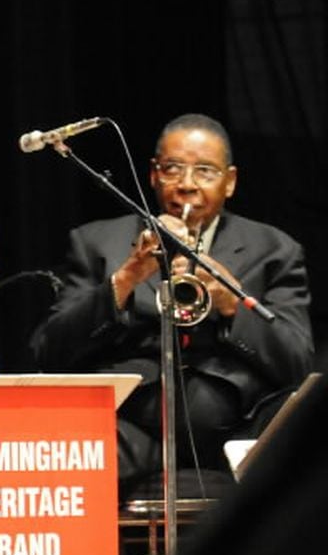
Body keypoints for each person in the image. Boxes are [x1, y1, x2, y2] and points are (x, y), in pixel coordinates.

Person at [30, 113, 314, 494]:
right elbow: (48, 351)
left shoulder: (275, 250)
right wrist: (126, 278)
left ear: (230, 182)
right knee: (59, 449)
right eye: (173, 169)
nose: (187, 185)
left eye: (205, 172)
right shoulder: (97, 242)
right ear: (152, 174)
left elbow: (297, 361)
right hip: (131, 432)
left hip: (237, 429)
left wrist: (229, 302)